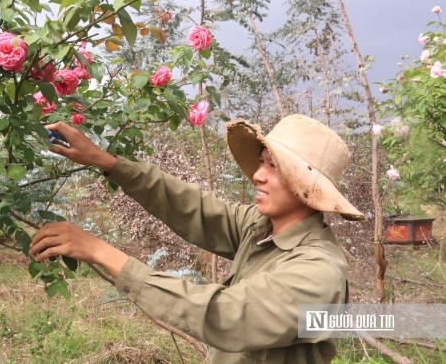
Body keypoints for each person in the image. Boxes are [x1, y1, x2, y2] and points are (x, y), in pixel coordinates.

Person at [29, 114, 366, 364]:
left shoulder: (318, 271)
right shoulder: (262, 227)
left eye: (275, 167)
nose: (258, 175)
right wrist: (108, 162)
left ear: (307, 187)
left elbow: (226, 316)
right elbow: (193, 208)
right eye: (262, 162)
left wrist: (101, 252)